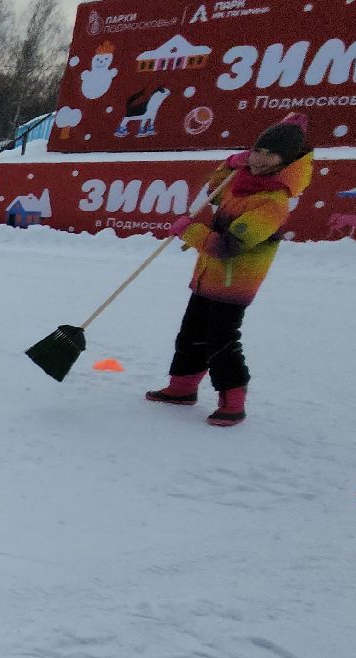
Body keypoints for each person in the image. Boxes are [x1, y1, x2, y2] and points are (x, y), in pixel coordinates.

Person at [147, 114, 314, 427]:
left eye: (271, 154)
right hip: (207, 275)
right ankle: (182, 387)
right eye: (258, 150)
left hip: (235, 281)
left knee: (221, 339)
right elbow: (214, 187)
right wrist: (230, 163)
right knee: (191, 332)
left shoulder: (273, 203)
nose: (261, 159)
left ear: (285, 162)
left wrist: (191, 232)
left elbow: (229, 245)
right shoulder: (238, 185)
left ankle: (233, 400)